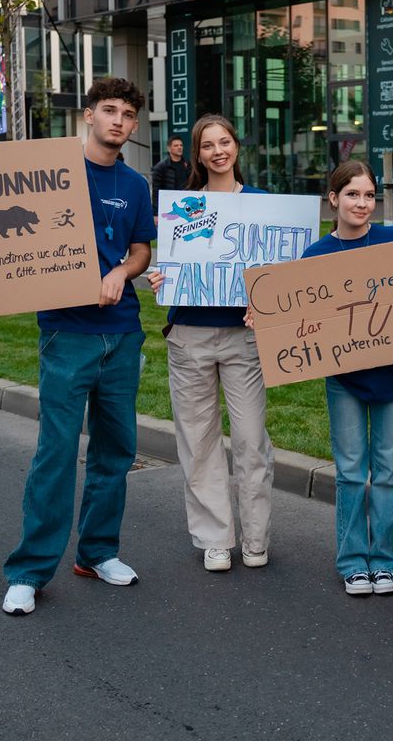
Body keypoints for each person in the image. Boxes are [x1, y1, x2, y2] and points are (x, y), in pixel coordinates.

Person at [0, 77, 156, 616]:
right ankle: (28, 571)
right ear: (88, 116)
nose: (119, 120)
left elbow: (141, 249)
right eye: (109, 110)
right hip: (65, 334)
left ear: (135, 125)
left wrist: (122, 270)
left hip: (121, 332)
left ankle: (97, 553)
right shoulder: (48, 174)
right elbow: (3, 238)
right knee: (55, 452)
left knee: (115, 450)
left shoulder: (135, 185)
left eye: (128, 114)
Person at [146, 115, 275, 573]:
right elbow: (167, 269)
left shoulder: (262, 205)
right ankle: (216, 538)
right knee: (198, 442)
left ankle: (256, 537)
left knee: (250, 441)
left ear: (236, 147)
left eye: (225, 142)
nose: (217, 150)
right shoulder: (183, 207)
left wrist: (271, 302)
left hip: (245, 338)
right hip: (190, 337)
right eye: (208, 144)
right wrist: (159, 278)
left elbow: (282, 275)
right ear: (197, 154)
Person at [301, 160, 393, 596]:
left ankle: (384, 561)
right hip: (345, 376)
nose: (362, 203)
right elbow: (301, 319)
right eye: (352, 194)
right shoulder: (316, 256)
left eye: (369, 195)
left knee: (388, 471)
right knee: (352, 471)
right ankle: (353, 561)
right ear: (333, 199)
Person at [151, 134, 191, 210]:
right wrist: (156, 213)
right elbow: (156, 192)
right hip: (168, 206)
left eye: (181, 145)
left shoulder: (188, 165)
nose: (179, 147)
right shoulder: (160, 167)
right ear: (169, 149)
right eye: (176, 146)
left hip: (186, 205)